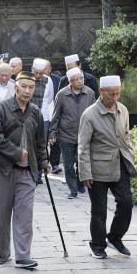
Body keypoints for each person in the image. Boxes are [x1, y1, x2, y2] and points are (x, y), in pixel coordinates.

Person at [0, 71, 50, 269]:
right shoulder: (3, 108)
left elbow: (40, 141)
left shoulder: (36, 112)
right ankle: (3, 252)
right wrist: (15, 152)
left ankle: (23, 256)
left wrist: (44, 161)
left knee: (25, 214)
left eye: (31, 88)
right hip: (2, 169)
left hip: (27, 171)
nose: (27, 91)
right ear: (16, 88)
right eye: (23, 86)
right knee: (3, 214)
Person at [78, 75, 137, 259]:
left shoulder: (123, 110)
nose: (115, 97)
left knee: (126, 203)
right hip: (97, 169)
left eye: (118, 93)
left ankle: (115, 237)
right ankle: (97, 244)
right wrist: (85, 172)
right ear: (101, 92)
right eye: (112, 94)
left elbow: (126, 135)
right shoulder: (89, 114)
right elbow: (83, 146)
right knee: (99, 209)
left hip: (120, 165)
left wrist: (130, 153)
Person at [49, 67, 95, 198]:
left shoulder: (90, 93)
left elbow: (94, 113)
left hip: (84, 135)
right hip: (66, 135)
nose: (80, 81)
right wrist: (53, 132)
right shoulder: (62, 94)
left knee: (81, 163)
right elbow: (56, 115)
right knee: (68, 165)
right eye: (76, 79)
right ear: (70, 81)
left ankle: (80, 184)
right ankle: (73, 190)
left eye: (81, 78)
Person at [31, 58, 55, 184]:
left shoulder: (48, 80)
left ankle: (39, 174)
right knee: (31, 144)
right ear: (33, 70)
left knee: (41, 145)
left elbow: (50, 98)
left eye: (41, 73)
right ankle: (32, 173)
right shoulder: (28, 79)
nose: (39, 76)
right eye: (37, 73)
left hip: (44, 117)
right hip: (29, 117)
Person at [43, 59, 62, 174]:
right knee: (42, 141)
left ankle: (55, 164)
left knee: (55, 140)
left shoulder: (57, 80)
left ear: (50, 69)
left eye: (46, 68)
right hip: (44, 114)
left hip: (56, 112)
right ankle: (44, 163)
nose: (44, 70)